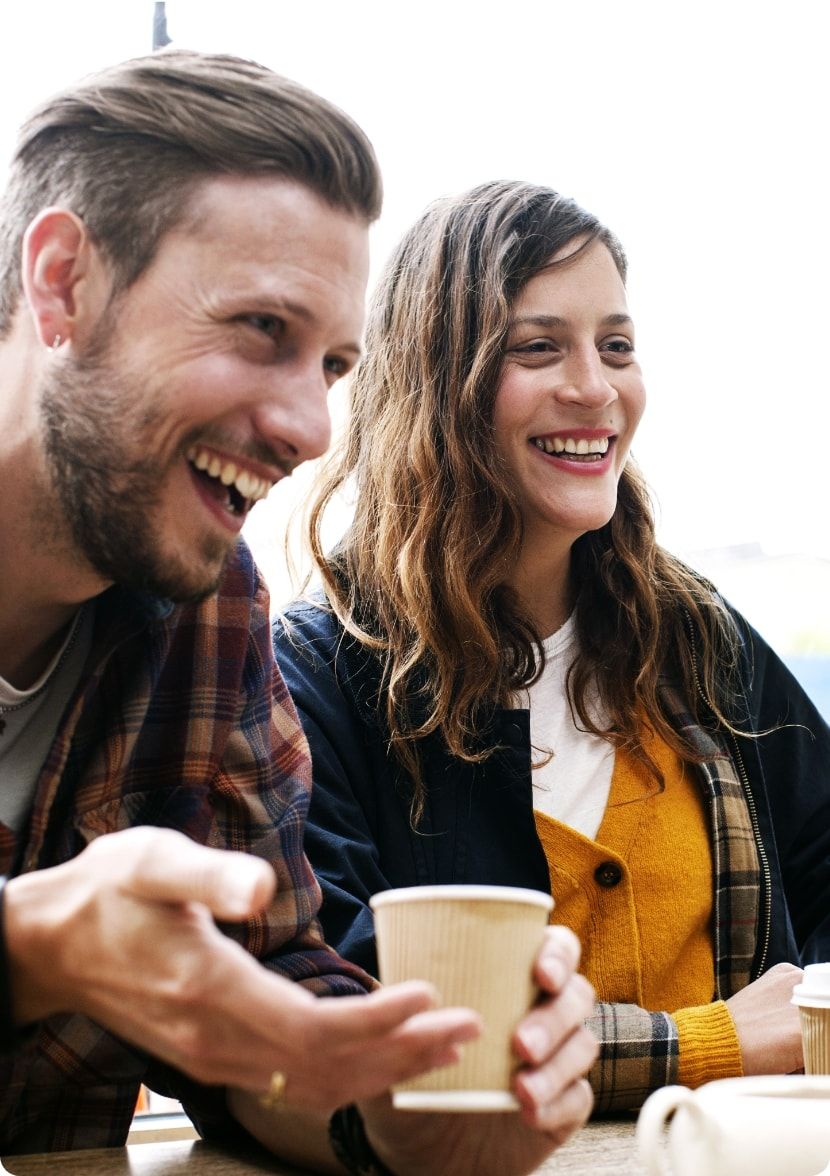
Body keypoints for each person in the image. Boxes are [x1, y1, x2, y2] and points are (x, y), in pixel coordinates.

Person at [0, 51, 522, 1167]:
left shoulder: (207, 599)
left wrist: (407, 1099)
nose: (309, 428)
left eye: (331, 365)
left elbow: (264, 996)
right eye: (259, 329)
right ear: (61, 285)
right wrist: (34, 944)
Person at [275, 179, 830, 1130]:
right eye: (540, 348)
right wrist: (714, 1044)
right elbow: (347, 1004)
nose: (597, 386)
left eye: (616, 345)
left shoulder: (695, 634)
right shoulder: (319, 670)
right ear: (433, 381)